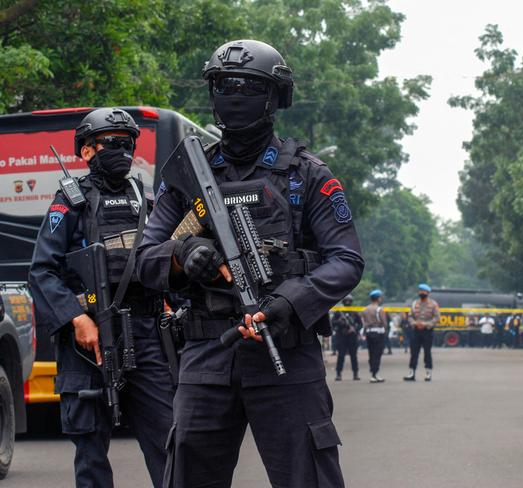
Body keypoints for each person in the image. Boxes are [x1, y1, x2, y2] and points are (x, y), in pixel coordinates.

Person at [136, 39, 364, 488]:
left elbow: (346, 260)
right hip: (207, 354)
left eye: (249, 87)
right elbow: (144, 257)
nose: (235, 97)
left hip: (287, 355)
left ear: (276, 97)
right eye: (224, 86)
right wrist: (184, 255)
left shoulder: (308, 176)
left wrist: (289, 301)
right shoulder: (186, 177)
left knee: (308, 477)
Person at [28, 108, 174, 488]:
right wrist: (77, 319)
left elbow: (165, 258)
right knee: (91, 452)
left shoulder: (146, 199)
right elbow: (42, 270)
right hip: (87, 339)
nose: (121, 151)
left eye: (127, 144)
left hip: (145, 333)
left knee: (170, 443)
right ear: (87, 150)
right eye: (111, 143)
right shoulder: (70, 201)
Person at [404, 284, 440, 381]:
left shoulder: (433, 304)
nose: (421, 293)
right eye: (420, 291)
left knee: (427, 352)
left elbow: (437, 317)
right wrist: (415, 323)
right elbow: (410, 316)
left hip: (427, 331)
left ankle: (428, 373)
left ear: (427, 293)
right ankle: (412, 373)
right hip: (416, 330)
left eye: (423, 291)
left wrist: (426, 324)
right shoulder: (414, 303)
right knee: (414, 352)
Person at [331, 294, 362, 381]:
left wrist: (354, 329)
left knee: (354, 356)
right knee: (340, 356)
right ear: (343, 302)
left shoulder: (354, 312)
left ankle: (355, 374)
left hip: (352, 337)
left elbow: (360, 324)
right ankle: (338, 374)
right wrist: (339, 322)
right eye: (346, 301)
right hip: (341, 336)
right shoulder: (338, 312)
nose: (348, 302)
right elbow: (332, 323)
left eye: (349, 301)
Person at [360, 289, 387, 383]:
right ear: (378, 298)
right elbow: (384, 323)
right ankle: (374, 374)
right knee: (377, 353)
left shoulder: (365, 309)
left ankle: (373, 373)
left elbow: (363, 322)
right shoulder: (380, 309)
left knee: (371, 353)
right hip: (378, 333)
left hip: (369, 333)